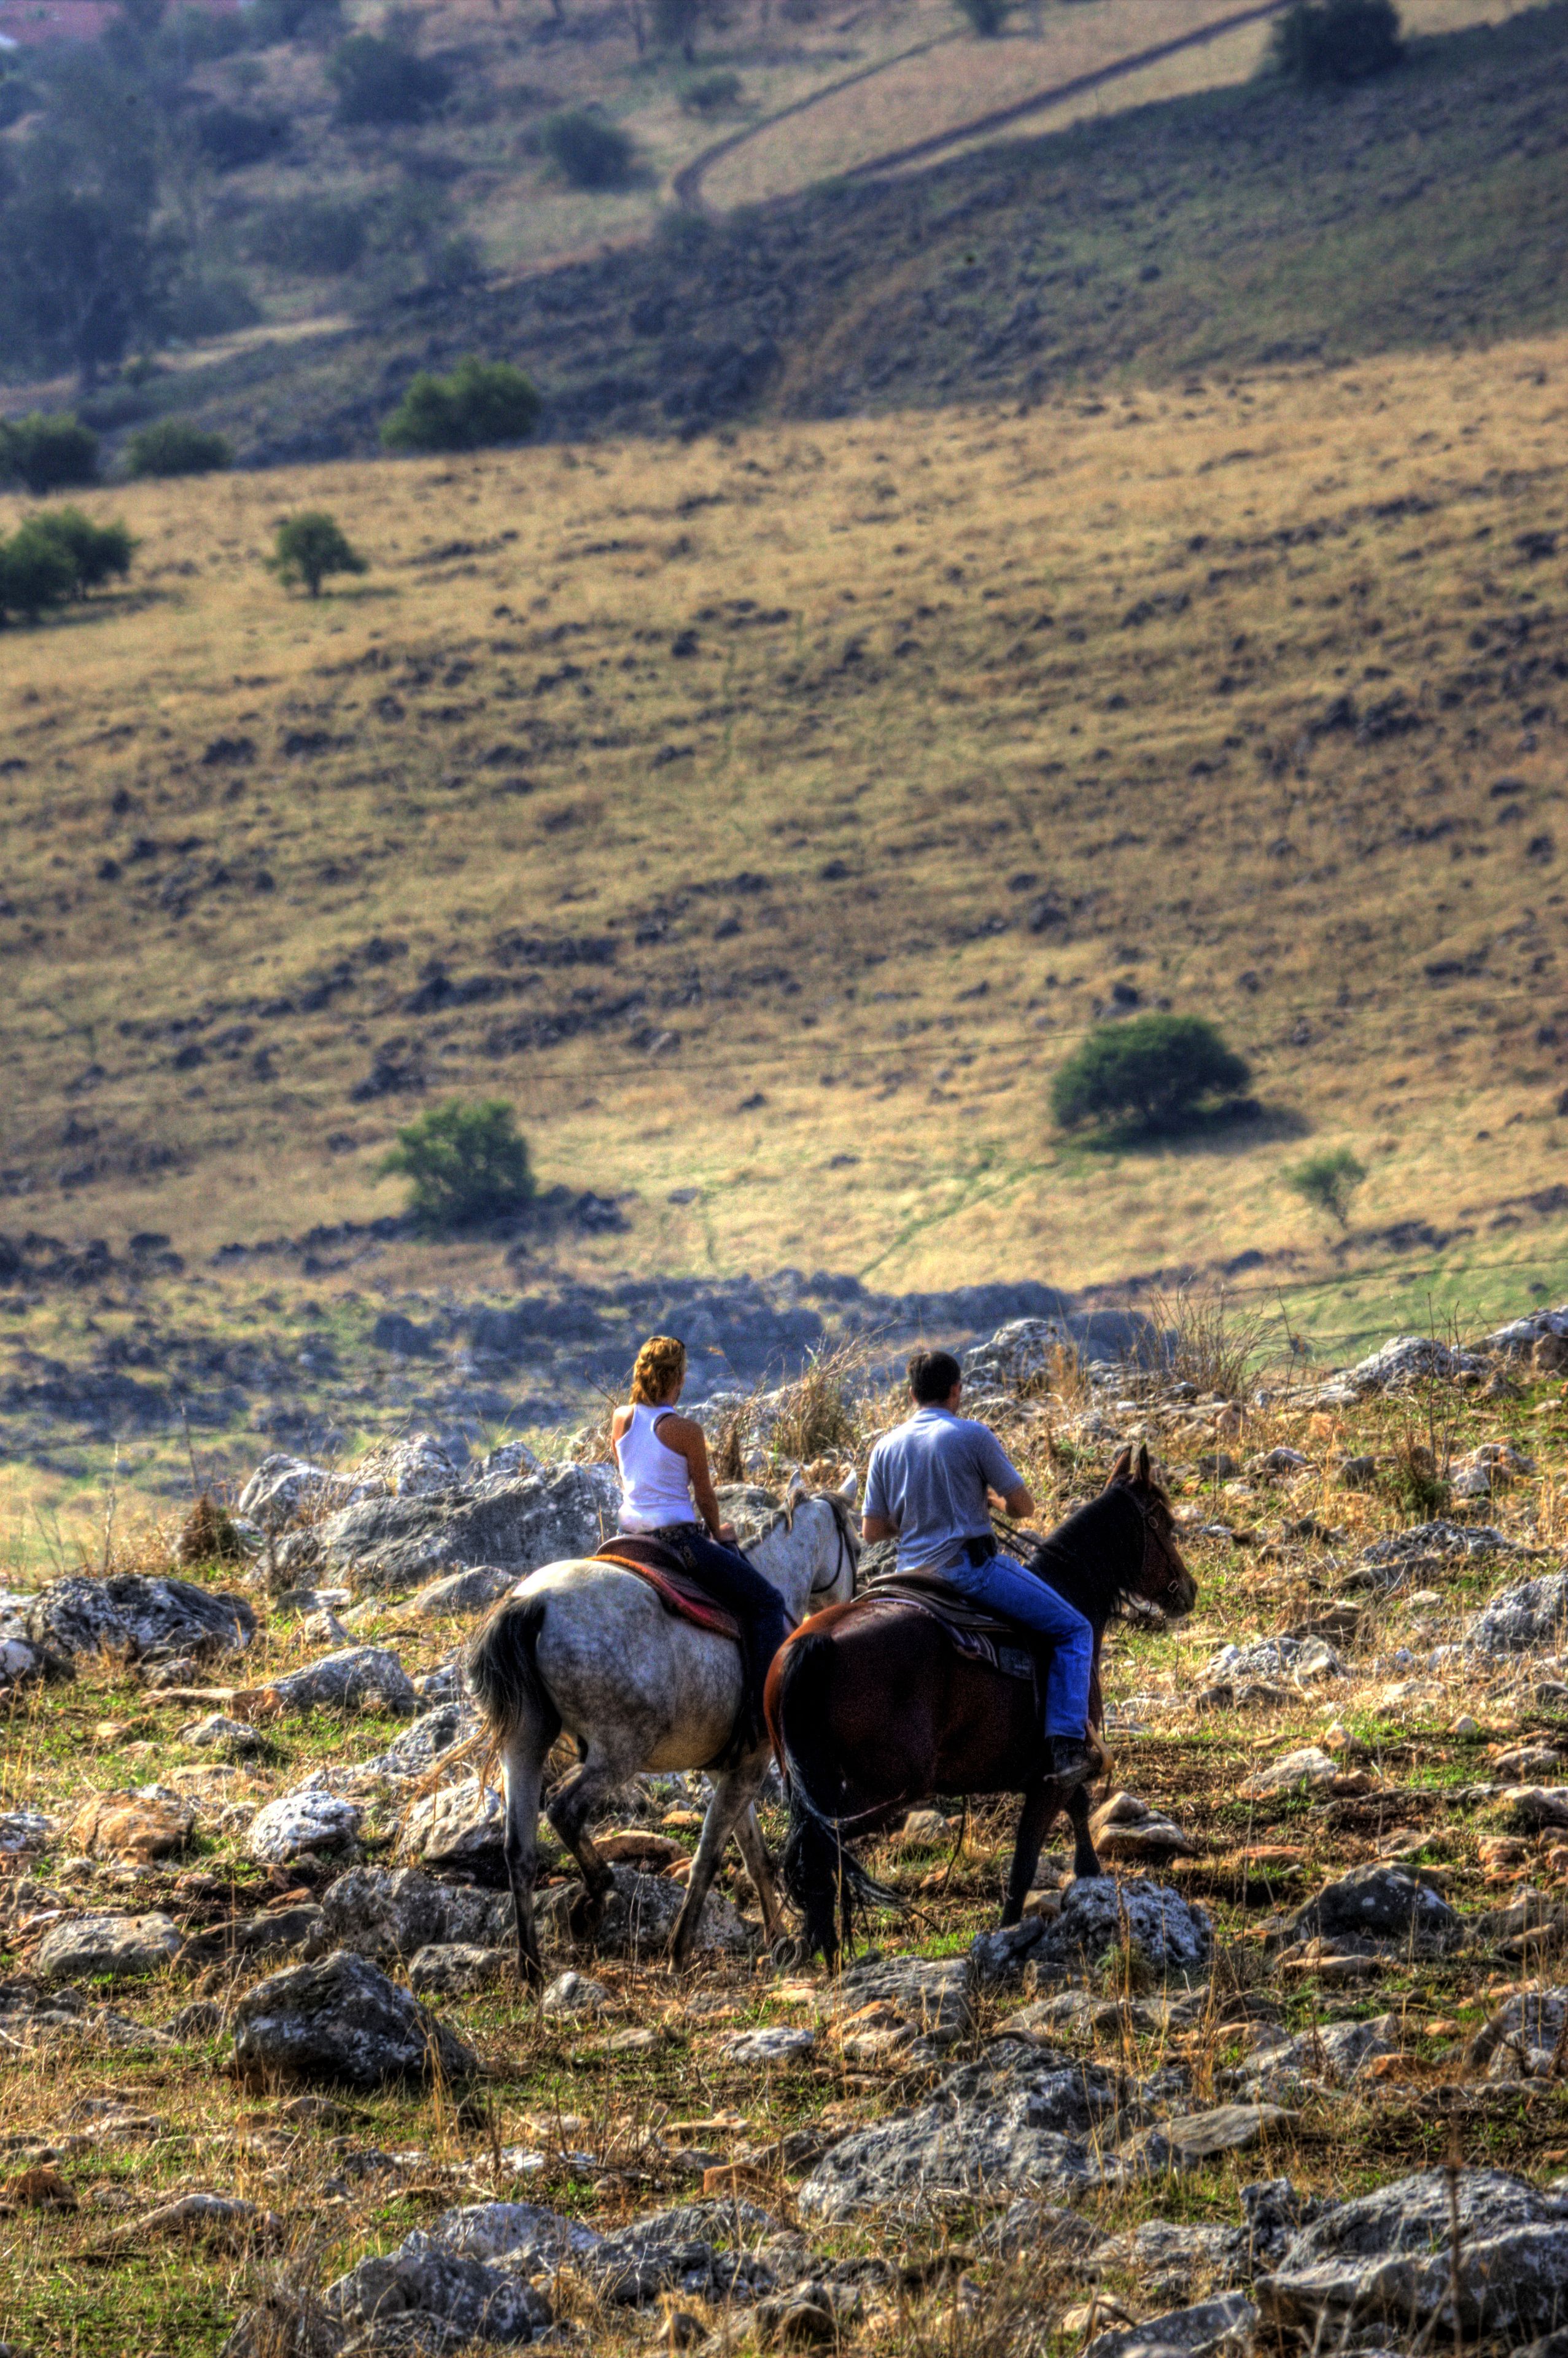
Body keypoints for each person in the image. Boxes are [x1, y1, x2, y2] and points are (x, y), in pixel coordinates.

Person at [861, 1348, 1095, 1785]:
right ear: (956, 1391)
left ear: (912, 1395)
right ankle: (1066, 1745)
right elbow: (1024, 1508)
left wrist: (917, 1518)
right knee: (1074, 1629)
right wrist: (991, 1500)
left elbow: (873, 1530)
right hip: (966, 1571)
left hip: (907, 1577)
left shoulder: (885, 1447)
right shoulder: (972, 1435)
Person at [611, 1334, 791, 1749]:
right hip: (678, 1543)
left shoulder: (621, 1418)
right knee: (767, 1602)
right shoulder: (685, 1430)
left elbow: (629, 1472)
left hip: (629, 1539)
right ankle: (762, 1719)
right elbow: (706, 1497)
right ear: (677, 1378)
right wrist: (716, 1530)